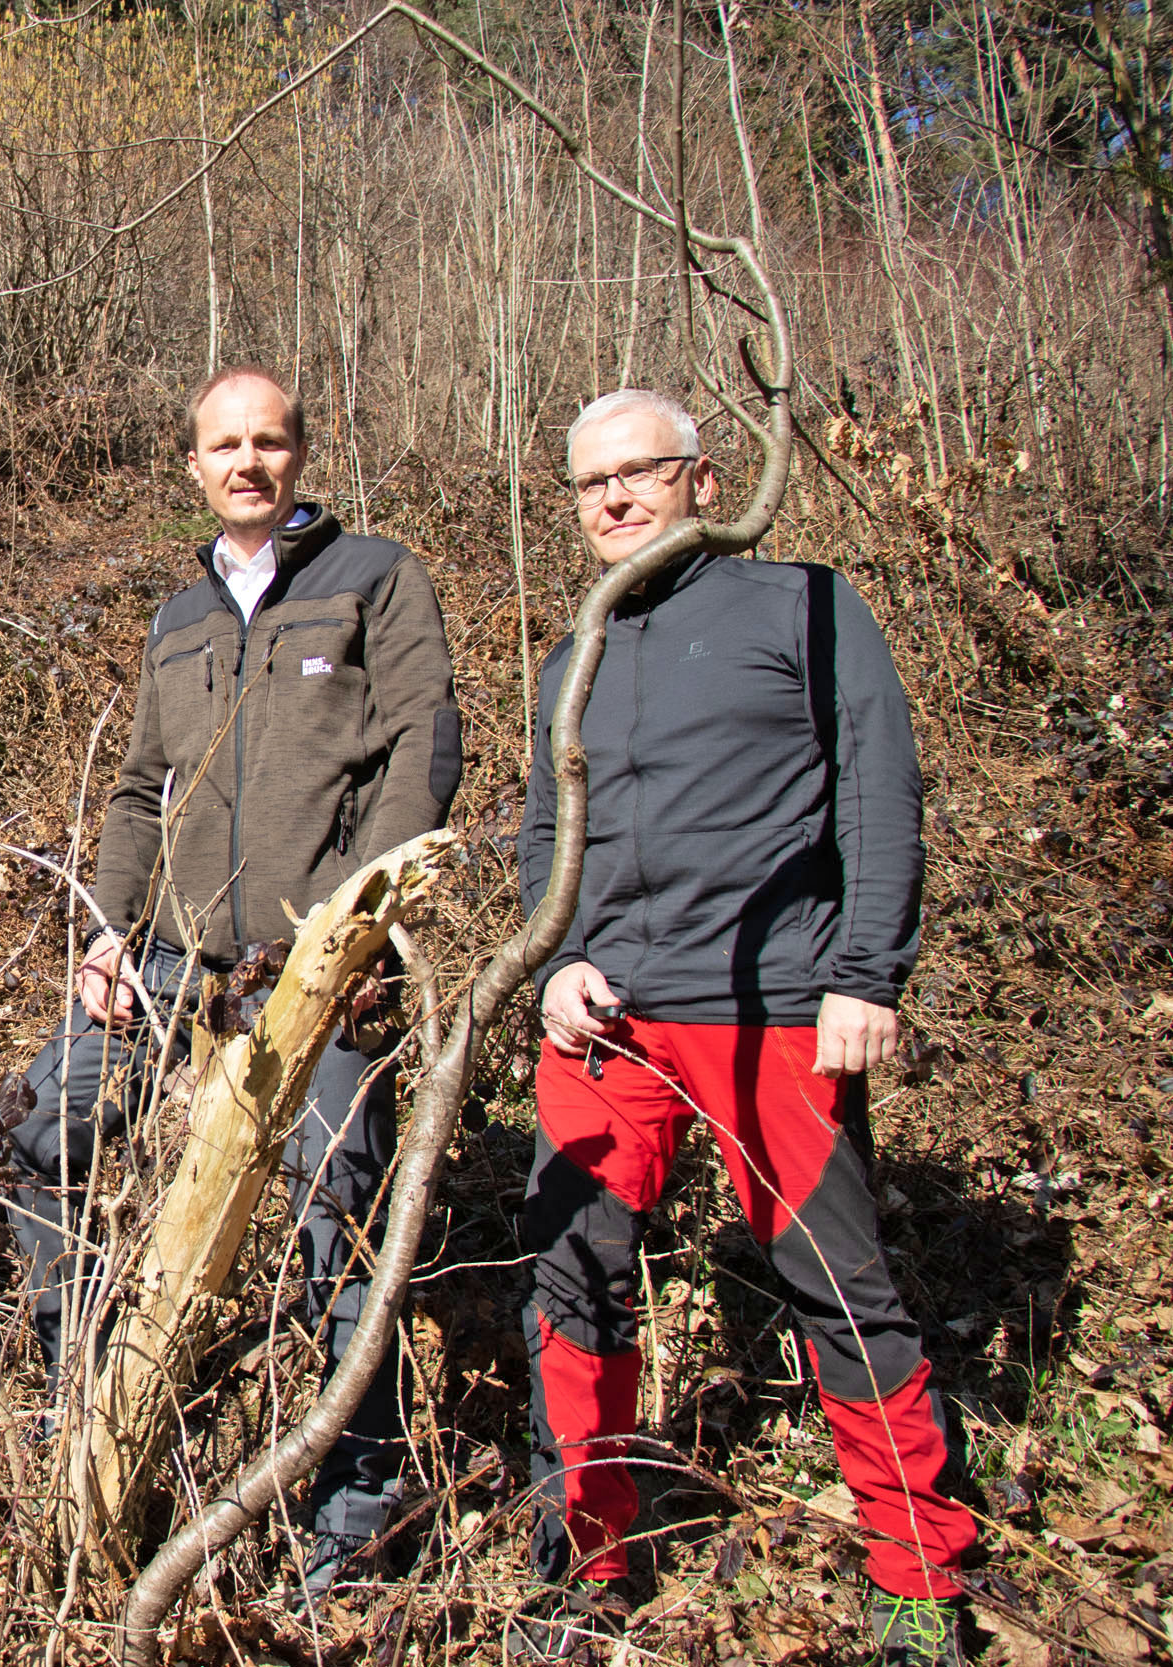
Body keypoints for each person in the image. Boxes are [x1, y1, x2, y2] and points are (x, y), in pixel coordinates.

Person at [513, 389, 976, 1664]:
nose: (613, 498)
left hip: (772, 1005)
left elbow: (879, 783)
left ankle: (917, 1572)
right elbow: (542, 832)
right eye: (589, 483)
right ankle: (587, 1561)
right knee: (574, 1277)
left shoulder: (803, 604)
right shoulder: (579, 647)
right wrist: (551, 960)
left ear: (703, 480)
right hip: (607, 1019)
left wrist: (866, 973)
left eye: (639, 473)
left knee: (836, 1284)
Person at [2, 366, 462, 1594]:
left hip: (314, 961)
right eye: (224, 444)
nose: (246, 461)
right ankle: (81, 1424)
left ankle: (354, 1502)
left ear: (300, 454)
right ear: (193, 464)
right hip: (170, 954)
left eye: (268, 441)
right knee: (42, 1134)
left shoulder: (374, 576)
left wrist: (351, 922)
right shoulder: (176, 618)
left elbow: (426, 742)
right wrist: (108, 930)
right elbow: (137, 789)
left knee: (338, 1201)